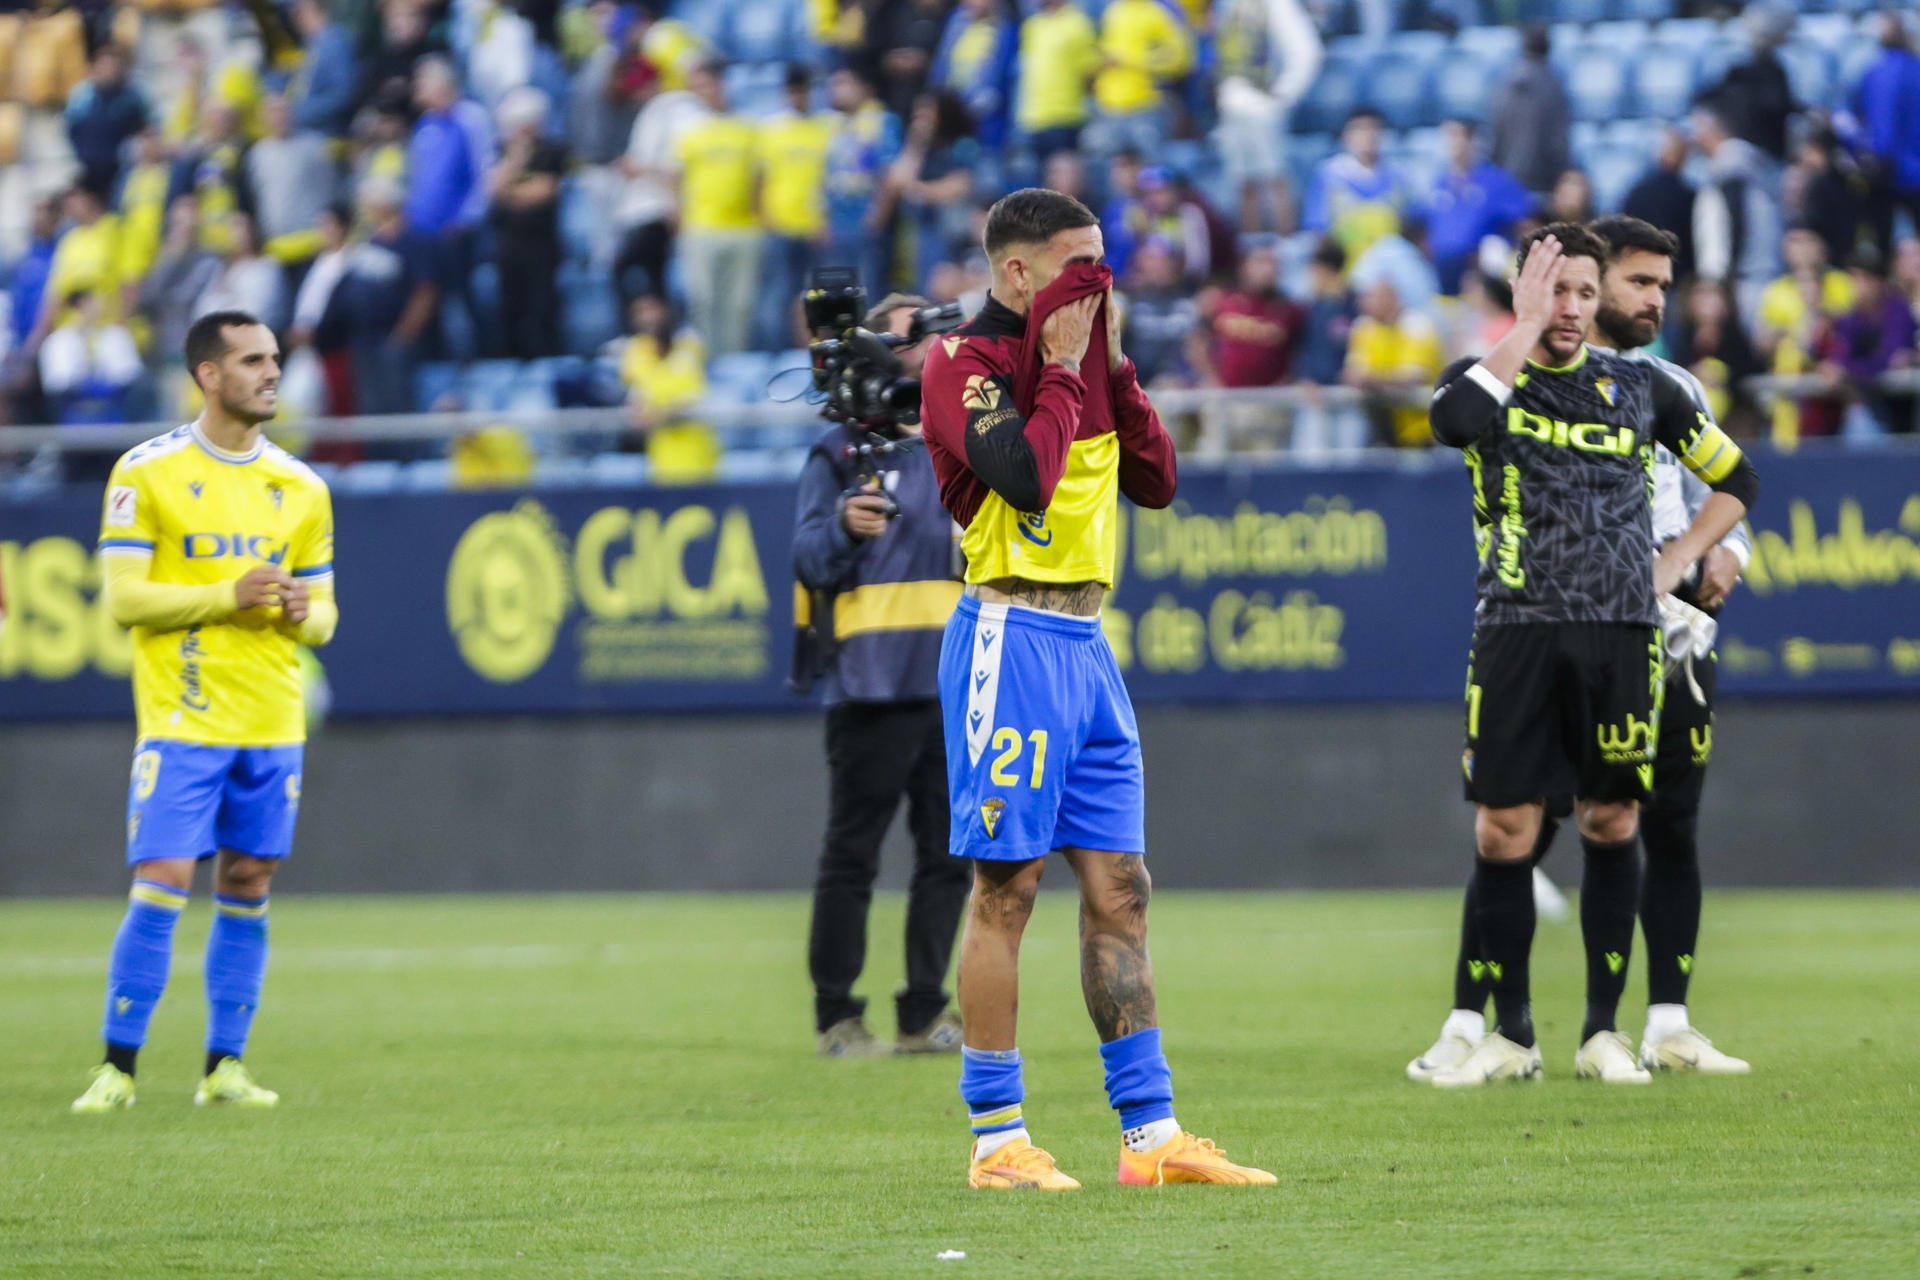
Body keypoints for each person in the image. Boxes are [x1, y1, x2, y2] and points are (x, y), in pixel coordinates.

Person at [919, 187, 1274, 1188]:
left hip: (1086, 648)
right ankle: (997, 1140)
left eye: (1104, 261)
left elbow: (1155, 479)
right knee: (1009, 886)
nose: (1101, 281)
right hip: (1009, 630)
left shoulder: (1087, 353)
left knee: (1121, 886)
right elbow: (1025, 478)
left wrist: (1109, 365)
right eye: (1081, 264)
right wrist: (1070, 370)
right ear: (1018, 271)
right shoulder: (963, 363)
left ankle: (1150, 1138)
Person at [1409, 216, 1755, 1085]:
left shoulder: (1644, 389)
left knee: (1617, 820)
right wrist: (1522, 327)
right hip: (1516, 631)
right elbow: (1450, 425)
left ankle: (1605, 1032)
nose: (1571, 308)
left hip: (1623, 638)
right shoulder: (1484, 381)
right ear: (1527, 291)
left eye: (1583, 293)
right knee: (1505, 830)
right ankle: (1506, 1033)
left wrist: (1679, 559)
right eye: (1555, 290)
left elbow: (1737, 478)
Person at [70, 310, 338, 1115]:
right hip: (184, 718)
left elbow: (326, 615)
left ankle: (225, 1067)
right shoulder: (144, 473)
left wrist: (298, 610)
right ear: (207, 375)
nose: (271, 374)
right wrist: (229, 593)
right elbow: (123, 601)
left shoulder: (302, 486)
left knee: (249, 878)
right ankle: (118, 1068)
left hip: (272, 718)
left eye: (276, 360)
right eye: (252, 360)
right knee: (162, 878)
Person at [791, 293, 970, 1058]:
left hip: (955, 680)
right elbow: (804, 556)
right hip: (869, 684)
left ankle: (924, 1012)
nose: (917, 348)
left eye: (925, 335)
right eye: (900, 337)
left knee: (950, 857)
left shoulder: (963, 443)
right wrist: (841, 526)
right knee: (852, 856)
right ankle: (838, 1015)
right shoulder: (839, 452)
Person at [671, 62, 762, 357]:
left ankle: (734, 360)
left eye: (709, 85)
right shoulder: (689, 130)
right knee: (703, 300)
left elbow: (759, 176)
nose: (705, 93)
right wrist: (679, 219)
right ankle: (706, 361)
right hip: (702, 226)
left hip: (743, 227)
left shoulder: (747, 128)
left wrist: (759, 215)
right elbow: (675, 177)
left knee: (739, 303)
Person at [487, 87, 568, 361]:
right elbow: (493, 190)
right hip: (508, 242)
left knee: (542, 308)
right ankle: (513, 363)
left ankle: (549, 362)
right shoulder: (503, 151)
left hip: (541, 242)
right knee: (510, 308)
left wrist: (510, 192)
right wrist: (516, 161)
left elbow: (545, 191)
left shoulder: (553, 151)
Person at [757, 66, 835, 350]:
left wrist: (824, 219)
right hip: (781, 224)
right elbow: (760, 179)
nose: (798, 96)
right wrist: (766, 218)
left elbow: (830, 180)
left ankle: (815, 353)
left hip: (815, 227)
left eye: (803, 90)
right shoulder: (772, 130)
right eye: (793, 90)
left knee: (817, 297)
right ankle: (780, 353)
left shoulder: (825, 128)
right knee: (780, 295)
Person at [1426, 119, 1533, 296]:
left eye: (1461, 135)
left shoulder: (1496, 180)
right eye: (1449, 135)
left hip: (1479, 268)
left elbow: (1524, 221)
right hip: (1441, 268)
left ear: (1474, 140)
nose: (1455, 142)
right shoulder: (1437, 183)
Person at [1302, 107, 1414, 264]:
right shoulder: (1328, 173)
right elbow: (1318, 231)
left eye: (1374, 128)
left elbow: (1409, 226)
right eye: (1360, 129)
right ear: (1346, 135)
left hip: (1388, 271)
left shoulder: (1398, 175)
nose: (1368, 135)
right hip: (1344, 265)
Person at [1343, 277, 1443, 448]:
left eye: (1369, 297)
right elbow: (1353, 373)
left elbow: (1412, 377)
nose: (1362, 303)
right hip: (1381, 426)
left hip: (1422, 428)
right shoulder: (1364, 327)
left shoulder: (1417, 325)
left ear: (1390, 299)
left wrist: (1371, 379)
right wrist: (1375, 378)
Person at [1489, 24, 1571, 199]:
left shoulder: (1504, 83)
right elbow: (1559, 142)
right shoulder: (1554, 85)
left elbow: (1496, 135)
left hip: (1509, 175)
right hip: (1545, 180)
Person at [1014, 0, 1099, 165]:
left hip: (1065, 115)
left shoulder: (1078, 23)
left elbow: (1089, 72)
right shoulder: (1032, 25)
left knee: (1062, 178)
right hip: (1032, 118)